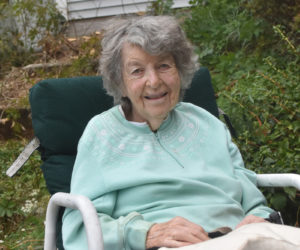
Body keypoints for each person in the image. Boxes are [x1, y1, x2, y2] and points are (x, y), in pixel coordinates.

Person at [62, 16, 274, 250]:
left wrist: (261, 220)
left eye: (163, 66)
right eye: (137, 71)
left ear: (180, 71)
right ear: (119, 82)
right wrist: (145, 233)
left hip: (241, 240)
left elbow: (254, 203)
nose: (153, 81)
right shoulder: (101, 134)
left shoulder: (207, 123)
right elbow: (80, 227)